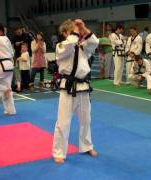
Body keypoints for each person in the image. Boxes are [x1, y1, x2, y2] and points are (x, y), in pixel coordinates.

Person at [52, 19, 98, 164]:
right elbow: (69, 44)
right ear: (66, 33)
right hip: (68, 88)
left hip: (83, 87)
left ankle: (86, 146)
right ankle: (59, 152)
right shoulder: (61, 46)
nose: (77, 33)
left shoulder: (83, 46)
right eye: (73, 31)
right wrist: (75, 33)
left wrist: (84, 28)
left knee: (86, 120)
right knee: (63, 122)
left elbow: (94, 43)